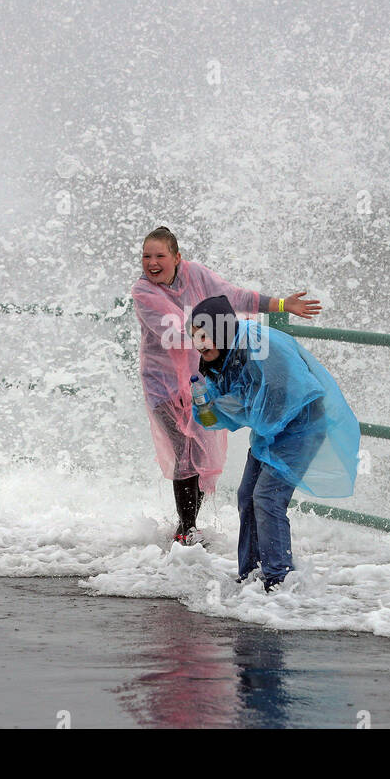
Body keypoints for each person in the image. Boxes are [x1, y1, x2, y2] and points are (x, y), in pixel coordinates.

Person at [130, 227, 320, 545]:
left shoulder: (196, 274)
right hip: (162, 384)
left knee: (201, 449)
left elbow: (236, 296)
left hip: (201, 378)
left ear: (177, 258)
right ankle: (187, 528)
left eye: (160, 256)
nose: (152, 263)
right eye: (146, 256)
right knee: (185, 449)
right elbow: (175, 332)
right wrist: (225, 329)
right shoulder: (143, 292)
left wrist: (283, 304)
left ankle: (188, 525)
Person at [188, 293, 360, 592]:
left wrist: (231, 407)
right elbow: (224, 413)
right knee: (246, 495)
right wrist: (208, 408)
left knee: (267, 498)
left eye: (204, 335)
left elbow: (277, 398)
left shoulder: (260, 347)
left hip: (300, 425)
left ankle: (279, 581)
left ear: (221, 331)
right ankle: (251, 573)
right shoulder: (220, 356)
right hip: (272, 431)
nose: (199, 343)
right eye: (194, 337)